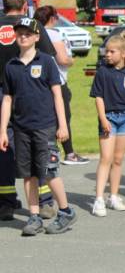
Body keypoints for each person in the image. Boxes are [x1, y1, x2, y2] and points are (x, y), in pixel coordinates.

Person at [0, 17, 77, 235]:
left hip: (44, 127)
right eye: (19, 33)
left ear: (36, 37)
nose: (23, 37)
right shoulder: (11, 66)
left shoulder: (46, 61)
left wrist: (63, 125)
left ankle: (65, 211)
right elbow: (7, 99)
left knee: (49, 171)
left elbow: (57, 95)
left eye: (27, 33)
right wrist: (2, 130)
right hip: (20, 128)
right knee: (28, 174)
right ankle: (34, 216)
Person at [0, 0, 56, 221]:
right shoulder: (31, 25)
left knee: (3, 146)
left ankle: (5, 203)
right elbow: (48, 56)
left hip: (3, 93)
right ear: (24, 6)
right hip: (27, 92)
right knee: (35, 143)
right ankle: (43, 200)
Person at [90, 32, 125, 217]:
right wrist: (103, 119)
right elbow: (98, 97)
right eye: (106, 51)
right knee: (106, 158)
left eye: (112, 51)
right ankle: (99, 199)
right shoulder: (103, 72)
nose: (107, 55)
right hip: (109, 119)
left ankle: (113, 196)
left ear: (123, 53)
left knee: (118, 159)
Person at [33, 6, 89, 165]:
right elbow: (62, 59)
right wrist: (72, 61)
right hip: (57, 82)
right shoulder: (54, 34)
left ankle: (46, 151)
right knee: (63, 117)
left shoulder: (34, 34)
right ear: (52, 18)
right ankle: (69, 153)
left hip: (39, 82)